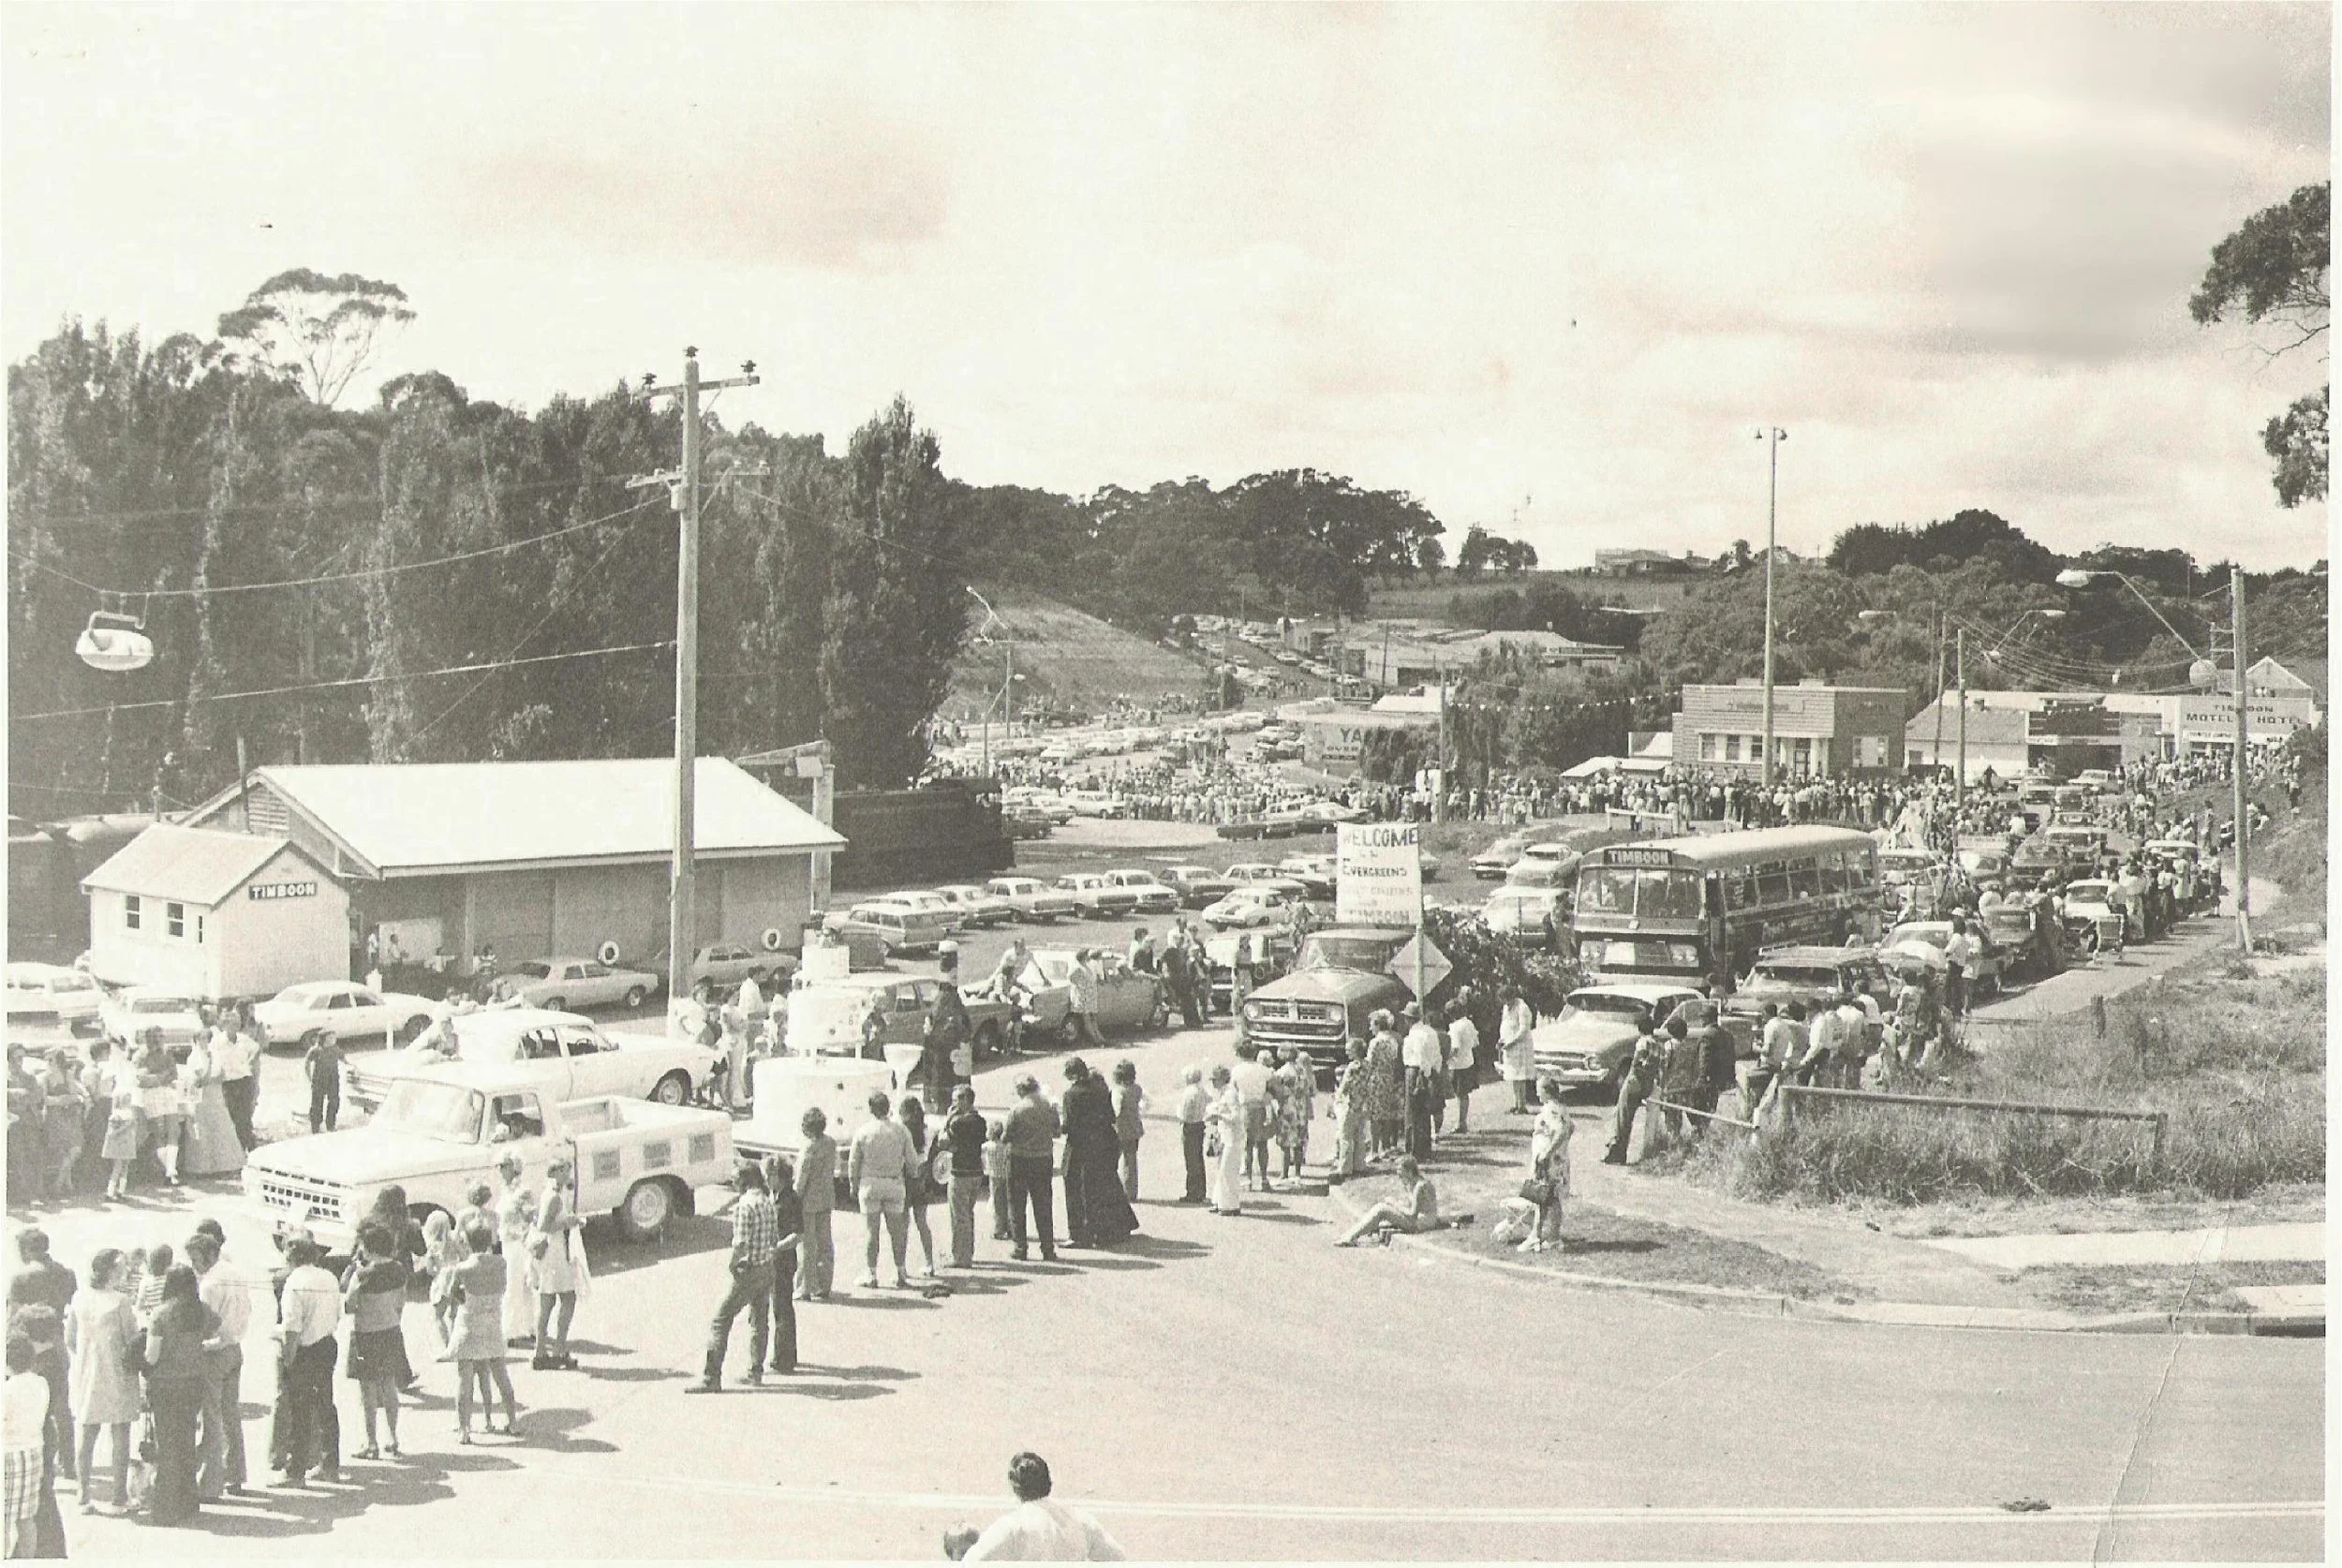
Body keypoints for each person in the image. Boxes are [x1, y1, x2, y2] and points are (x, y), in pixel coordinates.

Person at [690, 1164, 788, 1392]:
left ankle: (711, 1378)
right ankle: (756, 1372)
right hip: (767, 1267)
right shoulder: (767, 1201)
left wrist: (732, 1264)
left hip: (749, 1270)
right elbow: (774, 1240)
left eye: (736, 1180)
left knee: (720, 1320)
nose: (734, 1185)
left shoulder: (745, 1204)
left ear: (745, 1181)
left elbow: (740, 1244)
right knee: (759, 1321)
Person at [141, 1265, 216, 1525]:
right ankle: (188, 1501)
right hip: (193, 1382)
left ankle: (166, 1507)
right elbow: (225, 1333)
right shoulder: (201, 1311)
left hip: (165, 1384)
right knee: (186, 1441)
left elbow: (152, 1356)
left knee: (167, 1445)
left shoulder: (161, 1314)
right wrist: (200, 1349)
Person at [952, 1451, 1126, 1561]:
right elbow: (1118, 1559)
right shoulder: (1081, 1520)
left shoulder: (1012, 1525)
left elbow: (972, 1562)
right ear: (1048, 1481)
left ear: (1016, 1488)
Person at [67, 1250, 137, 1514]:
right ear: (109, 1271)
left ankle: (83, 1496)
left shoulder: (80, 1297)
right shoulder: (121, 1302)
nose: (125, 1271)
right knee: (120, 1433)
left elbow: (70, 1338)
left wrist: (88, 1356)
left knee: (87, 1432)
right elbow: (132, 1340)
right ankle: (119, 1498)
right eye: (121, 1268)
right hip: (117, 1372)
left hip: (88, 1371)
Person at [270, 1235, 342, 1487]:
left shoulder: (294, 1282)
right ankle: (329, 1465)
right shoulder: (329, 1277)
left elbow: (292, 1326)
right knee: (325, 1406)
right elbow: (337, 1313)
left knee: (299, 1411)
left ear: (291, 1256)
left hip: (305, 1350)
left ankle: (295, 1471)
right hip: (327, 1344)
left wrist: (288, 1358)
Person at [185, 1230, 249, 1501]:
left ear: (210, 1254)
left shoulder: (209, 1284)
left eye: (196, 1259)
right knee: (231, 1415)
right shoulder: (235, 1273)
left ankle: (211, 1485)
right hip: (235, 1349)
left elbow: (203, 1324)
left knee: (212, 1420)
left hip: (214, 1353)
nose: (193, 1266)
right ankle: (236, 1474)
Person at [7, 1232, 75, 1478]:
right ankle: (69, 1462)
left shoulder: (21, 1277)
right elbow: (69, 1308)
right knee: (62, 1407)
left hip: (30, 1348)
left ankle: (41, 1464)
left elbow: (12, 1317)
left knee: (34, 1409)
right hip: (56, 1343)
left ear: (26, 1249)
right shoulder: (65, 1273)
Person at [444, 1218, 518, 1442]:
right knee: (501, 1375)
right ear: (489, 1241)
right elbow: (503, 1287)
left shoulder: (463, 1268)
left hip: (469, 1324)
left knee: (464, 1379)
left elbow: (451, 1293)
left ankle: (464, 1429)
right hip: (492, 1323)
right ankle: (512, 1422)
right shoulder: (500, 1264)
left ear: (467, 1241)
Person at [340, 1222, 408, 1459]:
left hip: (366, 1335)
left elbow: (349, 1306)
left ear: (368, 1248)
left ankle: (371, 1442)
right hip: (391, 1331)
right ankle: (393, 1437)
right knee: (389, 1385)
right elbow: (401, 1301)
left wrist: (353, 1274)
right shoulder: (398, 1270)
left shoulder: (362, 1275)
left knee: (367, 1391)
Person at [1060, 1059, 1136, 1247]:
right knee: (1105, 1186)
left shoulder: (1071, 1095)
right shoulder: (1101, 1090)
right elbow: (1110, 1116)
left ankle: (1079, 1234)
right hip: (1103, 1143)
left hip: (1080, 1146)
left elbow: (1068, 1125)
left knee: (1077, 1189)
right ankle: (1111, 1228)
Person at [847, 1090, 918, 1289]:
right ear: (888, 1108)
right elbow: (912, 1161)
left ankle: (871, 1273)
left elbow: (854, 1162)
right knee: (897, 1231)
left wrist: (853, 1184)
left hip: (870, 1184)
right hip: (894, 1183)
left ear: (871, 1109)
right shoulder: (901, 1130)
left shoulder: (863, 1132)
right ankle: (900, 1272)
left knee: (872, 1231)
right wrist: (912, 1176)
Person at [527, 1158, 585, 1369]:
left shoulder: (550, 1194)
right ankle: (557, 1349)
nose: (568, 1174)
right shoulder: (553, 1197)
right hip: (555, 1253)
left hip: (552, 1252)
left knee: (547, 1300)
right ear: (556, 1172)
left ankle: (541, 1352)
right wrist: (569, 1222)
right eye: (565, 1170)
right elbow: (544, 1226)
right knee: (567, 1298)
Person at [1002, 1076, 1061, 1262]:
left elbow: (1006, 1136)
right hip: (1043, 1158)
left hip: (1019, 1159)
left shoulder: (1017, 1109)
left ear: (1021, 1090)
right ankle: (1047, 1248)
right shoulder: (1049, 1106)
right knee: (1043, 1205)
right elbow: (1057, 1132)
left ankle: (1020, 1247)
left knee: (1017, 1205)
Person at [178, 1026, 245, 1178]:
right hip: (201, 1098)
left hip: (215, 1096)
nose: (203, 1042)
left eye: (206, 1038)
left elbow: (222, 1075)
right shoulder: (193, 1058)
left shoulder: (215, 1054)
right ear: (195, 1040)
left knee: (221, 1128)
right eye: (200, 1038)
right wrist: (209, 1065)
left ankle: (225, 1166)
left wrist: (215, 1077)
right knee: (202, 1130)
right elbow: (200, 1081)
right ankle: (202, 1169)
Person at [1332, 1155, 1442, 1246]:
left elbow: (1412, 1215)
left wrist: (1394, 1204)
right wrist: (1396, 1205)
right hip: (1418, 1220)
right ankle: (1351, 1234)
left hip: (1421, 1223)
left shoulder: (1420, 1186)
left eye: (1401, 1172)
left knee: (1382, 1209)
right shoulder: (1411, 1183)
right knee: (1381, 1210)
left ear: (1409, 1171)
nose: (1398, 1175)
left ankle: (1351, 1237)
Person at [4, 1335, 47, 1557]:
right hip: (33, 1451)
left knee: (4, 1520)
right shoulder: (41, 1383)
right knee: (26, 1518)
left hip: (9, 1454)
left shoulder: (7, 1389)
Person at [1603, 1023, 1669, 1165]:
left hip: (1635, 1082)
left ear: (1640, 1030)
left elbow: (1636, 1064)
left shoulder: (1642, 1042)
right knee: (1628, 1118)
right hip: (1648, 1085)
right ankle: (1622, 1152)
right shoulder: (1660, 1047)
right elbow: (1662, 1070)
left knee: (1622, 1118)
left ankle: (1617, 1153)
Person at [759, 1155, 802, 1375]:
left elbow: (797, 1234)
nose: (766, 1179)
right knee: (779, 1308)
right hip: (773, 1259)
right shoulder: (772, 1196)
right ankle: (786, 1354)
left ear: (779, 1175)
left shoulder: (791, 1199)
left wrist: (777, 1247)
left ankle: (784, 1360)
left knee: (782, 1308)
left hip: (783, 1260)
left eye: (769, 1175)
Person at [1521, 1080, 1573, 1252]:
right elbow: (1571, 1128)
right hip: (1557, 1159)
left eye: (1539, 1090)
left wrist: (1548, 1152)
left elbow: (1562, 1131)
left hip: (1549, 1161)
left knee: (1545, 1196)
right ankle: (1546, 1236)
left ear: (1547, 1091)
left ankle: (1543, 1237)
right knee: (1549, 1198)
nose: (1537, 1094)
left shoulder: (1551, 1109)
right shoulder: (1561, 1108)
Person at [493, 1153, 538, 1349]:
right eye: (498, 1166)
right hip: (508, 1244)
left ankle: (515, 1330)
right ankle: (523, 1328)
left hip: (519, 1243)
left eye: (503, 1165)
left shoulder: (522, 1191)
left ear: (514, 1167)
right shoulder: (505, 1191)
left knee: (518, 1286)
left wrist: (523, 1233)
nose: (500, 1170)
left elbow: (531, 1216)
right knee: (517, 1286)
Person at [795, 1108, 839, 1302]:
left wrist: (794, 1198)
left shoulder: (808, 1148)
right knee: (825, 1243)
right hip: (826, 1197)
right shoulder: (830, 1144)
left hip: (808, 1201)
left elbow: (801, 1179)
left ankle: (805, 1287)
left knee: (807, 1246)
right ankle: (824, 1284)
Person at [941, 1087, 987, 1269]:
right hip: (976, 1170)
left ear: (965, 1100)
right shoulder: (980, 1121)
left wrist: (949, 1118)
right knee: (968, 1213)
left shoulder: (957, 1122)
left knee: (959, 1216)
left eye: (956, 1100)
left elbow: (943, 1140)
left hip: (960, 1171)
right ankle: (968, 1251)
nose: (954, 1104)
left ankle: (961, 1257)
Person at [898, 1096, 942, 1278]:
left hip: (904, 1178)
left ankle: (901, 1267)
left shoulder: (902, 1132)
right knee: (922, 1223)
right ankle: (929, 1263)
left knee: (902, 1226)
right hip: (921, 1179)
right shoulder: (929, 1131)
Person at [136, 1030, 187, 1185]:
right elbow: (141, 1080)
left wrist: (156, 1078)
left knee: (173, 1130)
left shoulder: (167, 1053)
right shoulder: (140, 1056)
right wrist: (161, 1076)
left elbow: (174, 1074)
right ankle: (169, 1172)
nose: (157, 1040)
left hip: (168, 1093)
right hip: (151, 1095)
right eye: (154, 1037)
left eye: (160, 1037)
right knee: (159, 1132)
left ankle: (171, 1170)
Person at [217, 1005, 262, 1150]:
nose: (235, 1026)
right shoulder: (217, 1041)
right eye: (232, 1023)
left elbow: (256, 1048)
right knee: (231, 1116)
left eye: (237, 1023)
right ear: (225, 1025)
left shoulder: (244, 1039)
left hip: (244, 1081)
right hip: (228, 1083)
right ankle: (237, 1150)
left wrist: (250, 1061)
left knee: (245, 1116)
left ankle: (247, 1147)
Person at [1400, 1005, 1441, 1161]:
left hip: (1416, 1071)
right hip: (1428, 1070)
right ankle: (1424, 1148)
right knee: (1424, 1111)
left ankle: (1413, 1150)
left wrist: (1423, 1073)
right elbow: (1437, 1055)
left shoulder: (1416, 1034)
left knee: (1412, 1112)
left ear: (1409, 1019)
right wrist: (1432, 1072)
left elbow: (1421, 1055)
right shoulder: (1430, 1031)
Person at [1203, 1065, 1244, 1216]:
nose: (1213, 1083)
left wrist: (1219, 1116)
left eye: (1215, 1079)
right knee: (1221, 1170)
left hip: (1233, 1138)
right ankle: (1219, 1201)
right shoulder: (1223, 1093)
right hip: (1224, 1137)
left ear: (1222, 1079)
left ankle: (1231, 1206)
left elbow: (1236, 1117)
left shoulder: (1230, 1094)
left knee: (1228, 1171)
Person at [1363, 1012, 1405, 1160]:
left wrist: (1365, 1081)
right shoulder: (1393, 1040)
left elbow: (1370, 1063)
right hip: (1389, 1078)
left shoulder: (1375, 1042)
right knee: (1386, 1114)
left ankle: (1374, 1150)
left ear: (1377, 1025)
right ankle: (1386, 1147)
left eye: (1371, 1025)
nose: (1370, 1028)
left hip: (1376, 1080)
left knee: (1375, 1116)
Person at [1329, 1039, 1368, 1182]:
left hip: (1349, 1104)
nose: (1347, 1052)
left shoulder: (1352, 1067)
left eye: (1349, 1049)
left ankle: (1345, 1168)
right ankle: (1359, 1165)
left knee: (1345, 1137)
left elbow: (1345, 1086)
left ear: (1356, 1051)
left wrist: (1336, 1099)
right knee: (1359, 1136)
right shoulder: (1367, 1065)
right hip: (1362, 1104)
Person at [1109, 1058, 1147, 1202]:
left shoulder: (1118, 1091)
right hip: (1135, 1127)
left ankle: (1116, 1190)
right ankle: (1131, 1191)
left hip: (1121, 1129)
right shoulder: (1137, 1089)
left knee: (1114, 1159)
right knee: (1131, 1160)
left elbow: (1116, 1111)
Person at [1275, 1047, 1313, 1183]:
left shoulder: (1283, 1071)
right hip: (1300, 1108)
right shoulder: (1301, 1070)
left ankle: (1284, 1174)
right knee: (1298, 1143)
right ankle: (1297, 1173)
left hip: (1287, 1108)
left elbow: (1278, 1090)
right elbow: (1308, 1088)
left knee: (1285, 1144)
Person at [1174, 1065, 1210, 1204]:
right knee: (1198, 1159)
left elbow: (1184, 1112)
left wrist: (1179, 1114)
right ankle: (1201, 1190)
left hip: (1190, 1126)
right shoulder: (1202, 1090)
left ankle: (1193, 1192)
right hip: (1200, 1124)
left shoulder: (1188, 1092)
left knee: (1191, 1160)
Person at [1499, 988, 1536, 1115]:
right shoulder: (1506, 1008)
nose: (1506, 1003)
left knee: (1520, 1076)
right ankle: (1515, 1103)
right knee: (1512, 1075)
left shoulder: (1522, 1008)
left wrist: (1512, 1042)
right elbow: (1504, 1024)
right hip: (1509, 1045)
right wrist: (1502, 1040)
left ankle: (1522, 1105)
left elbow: (1524, 1029)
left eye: (1507, 999)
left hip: (1520, 1045)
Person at [303, 1025, 345, 1134]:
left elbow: (344, 1059)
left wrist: (353, 1066)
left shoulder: (336, 1049)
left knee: (334, 1102)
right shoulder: (316, 1050)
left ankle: (330, 1125)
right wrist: (309, 1077)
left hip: (333, 1079)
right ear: (324, 1038)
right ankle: (315, 1127)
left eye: (334, 1037)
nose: (334, 1039)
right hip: (319, 1080)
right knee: (317, 1104)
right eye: (331, 1037)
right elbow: (307, 1063)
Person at [1445, 1006, 1480, 1135]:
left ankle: (1461, 1123)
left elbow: (1455, 1048)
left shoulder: (1455, 1027)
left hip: (1458, 1064)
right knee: (1463, 1094)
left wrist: (1445, 1059)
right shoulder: (1469, 1023)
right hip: (1469, 1061)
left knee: (1460, 1094)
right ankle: (1462, 1121)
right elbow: (1476, 1042)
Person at [982, 1119, 1014, 1242]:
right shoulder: (1006, 1146)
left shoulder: (988, 1146)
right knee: (1008, 1203)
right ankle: (1011, 1228)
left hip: (994, 1177)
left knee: (997, 1205)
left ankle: (999, 1229)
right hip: (1007, 1176)